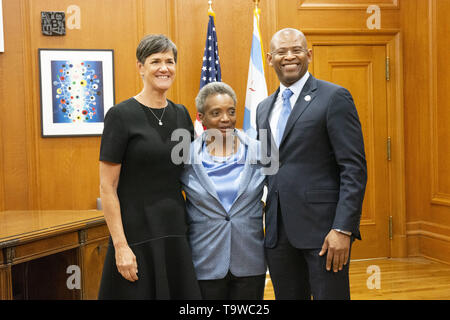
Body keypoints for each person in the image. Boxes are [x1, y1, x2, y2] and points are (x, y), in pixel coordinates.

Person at [256, 28, 367, 300]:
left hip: (324, 233)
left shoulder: (333, 97)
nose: (289, 57)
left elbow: (353, 169)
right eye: (281, 52)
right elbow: (268, 168)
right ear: (270, 58)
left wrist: (343, 229)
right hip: (278, 234)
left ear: (309, 54)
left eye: (296, 50)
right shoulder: (263, 108)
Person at [97, 34, 201, 299]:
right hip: (136, 236)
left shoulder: (181, 115)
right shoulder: (120, 116)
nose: (164, 67)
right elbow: (107, 187)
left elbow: (193, 173)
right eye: (155, 61)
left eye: (169, 61)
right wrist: (120, 246)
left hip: (175, 232)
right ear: (140, 67)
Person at [180, 82, 267, 300]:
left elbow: (280, 193)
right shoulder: (185, 156)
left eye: (231, 111)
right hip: (204, 259)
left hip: (250, 259)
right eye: (216, 113)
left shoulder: (259, 150)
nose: (225, 119)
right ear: (201, 117)